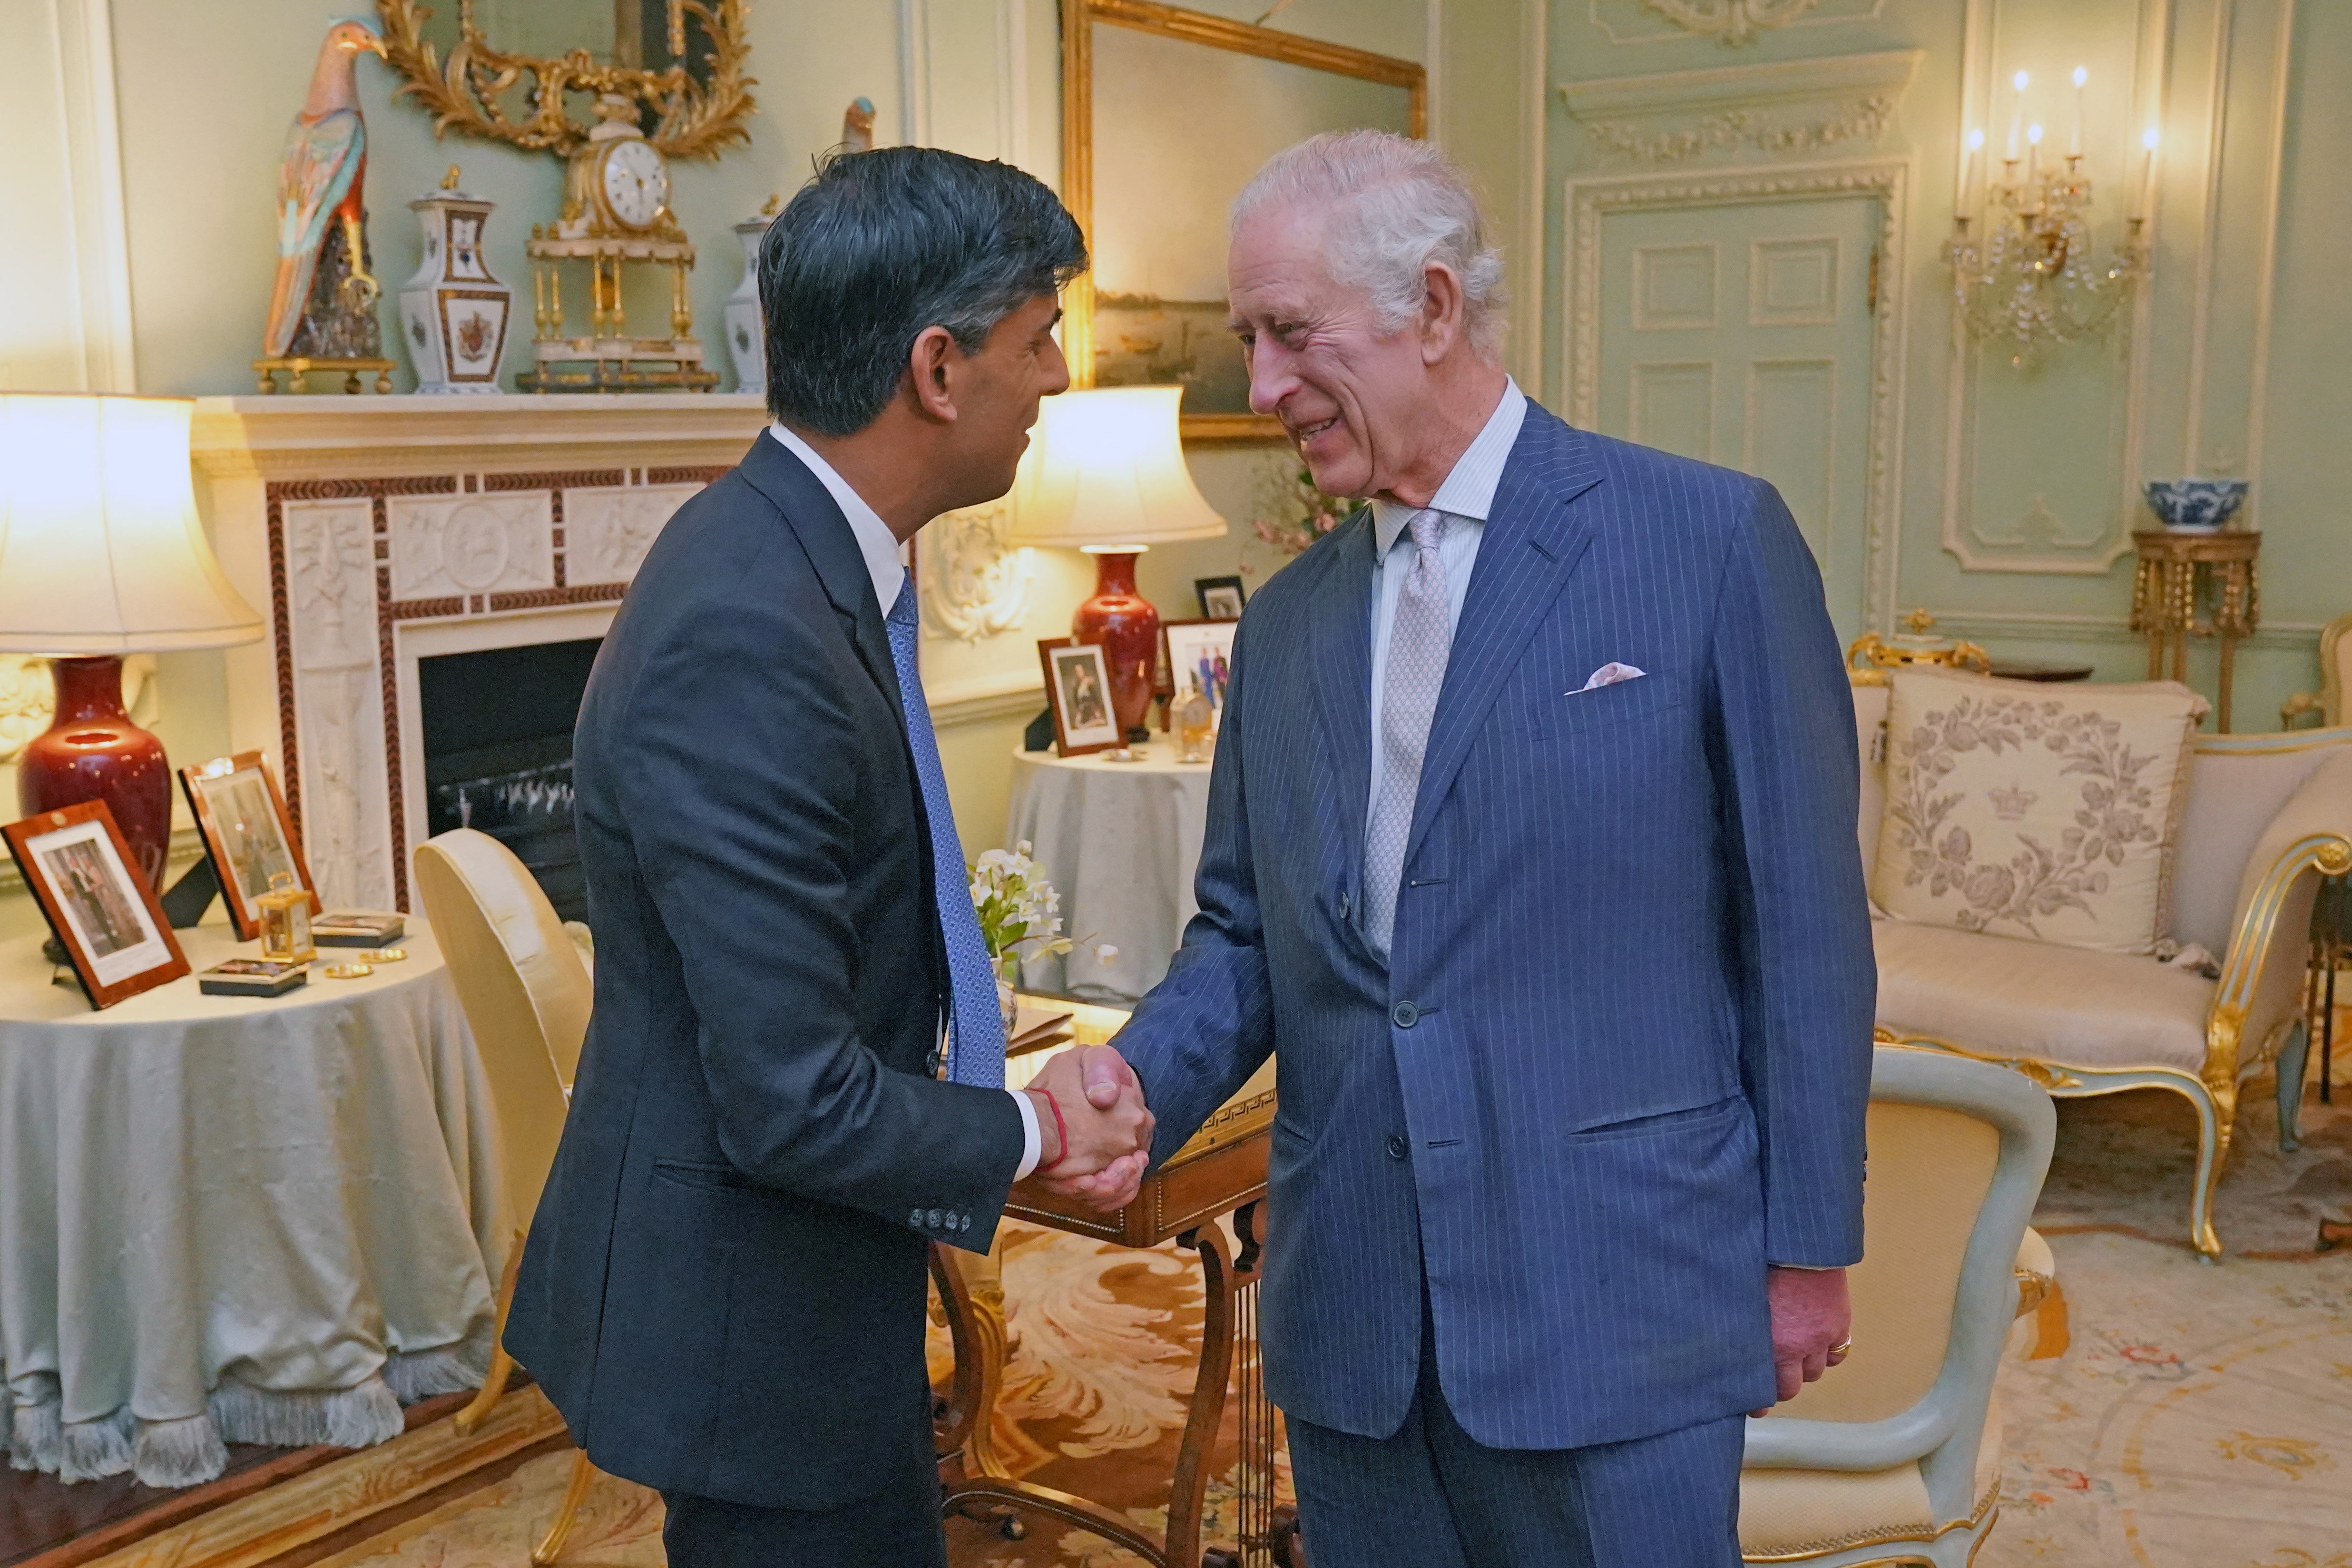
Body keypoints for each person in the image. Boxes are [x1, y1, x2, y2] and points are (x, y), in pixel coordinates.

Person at [1070, 130, 1876, 1564]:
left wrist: (1808, 1249)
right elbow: (1250, 931)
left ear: (1432, 309)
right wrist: (1136, 1079)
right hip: (1359, 1318)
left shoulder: (1705, 541)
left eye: (1288, 335)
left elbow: (1806, 932)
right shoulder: (1294, 617)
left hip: (1619, 1299)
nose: (1260, 389)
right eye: (1249, 340)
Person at [501, 147, 1154, 1568]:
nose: (1052, 379)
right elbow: (793, 1104)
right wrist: (1037, 1132)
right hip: (750, 1331)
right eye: (1037, 340)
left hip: (796, 1297)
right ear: (936, 367)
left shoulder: (805, 558)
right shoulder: (751, 628)